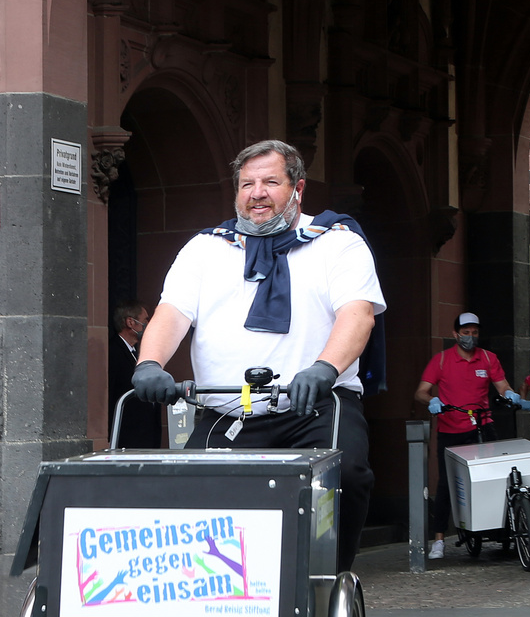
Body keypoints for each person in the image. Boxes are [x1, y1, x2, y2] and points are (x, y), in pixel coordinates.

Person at [133, 139, 383, 574]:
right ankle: (210, 592)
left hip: (315, 407)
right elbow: (171, 314)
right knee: (185, 495)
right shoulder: (205, 248)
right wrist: (149, 363)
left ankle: (329, 578)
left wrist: (324, 369)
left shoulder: (337, 243)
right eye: (246, 184)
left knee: (349, 475)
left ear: (298, 188)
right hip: (228, 412)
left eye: (270, 181)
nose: (257, 193)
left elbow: (358, 315)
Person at [414, 312, 530, 559]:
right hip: (450, 428)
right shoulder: (441, 360)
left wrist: (511, 395)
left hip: (482, 423)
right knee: (446, 482)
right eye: (466, 333)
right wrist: (432, 400)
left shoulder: (489, 358)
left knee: (493, 475)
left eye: (475, 333)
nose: (470, 337)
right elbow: (421, 391)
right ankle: (438, 540)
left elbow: (502, 385)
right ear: (455, 334)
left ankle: (500, 525)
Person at [107, 300, 161, 448]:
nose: (147, 324)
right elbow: (109, 394)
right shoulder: (113, 352)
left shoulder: (137, 352)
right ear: (131, 322)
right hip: (127, 435)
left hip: (144, 434)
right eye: (145, 320)